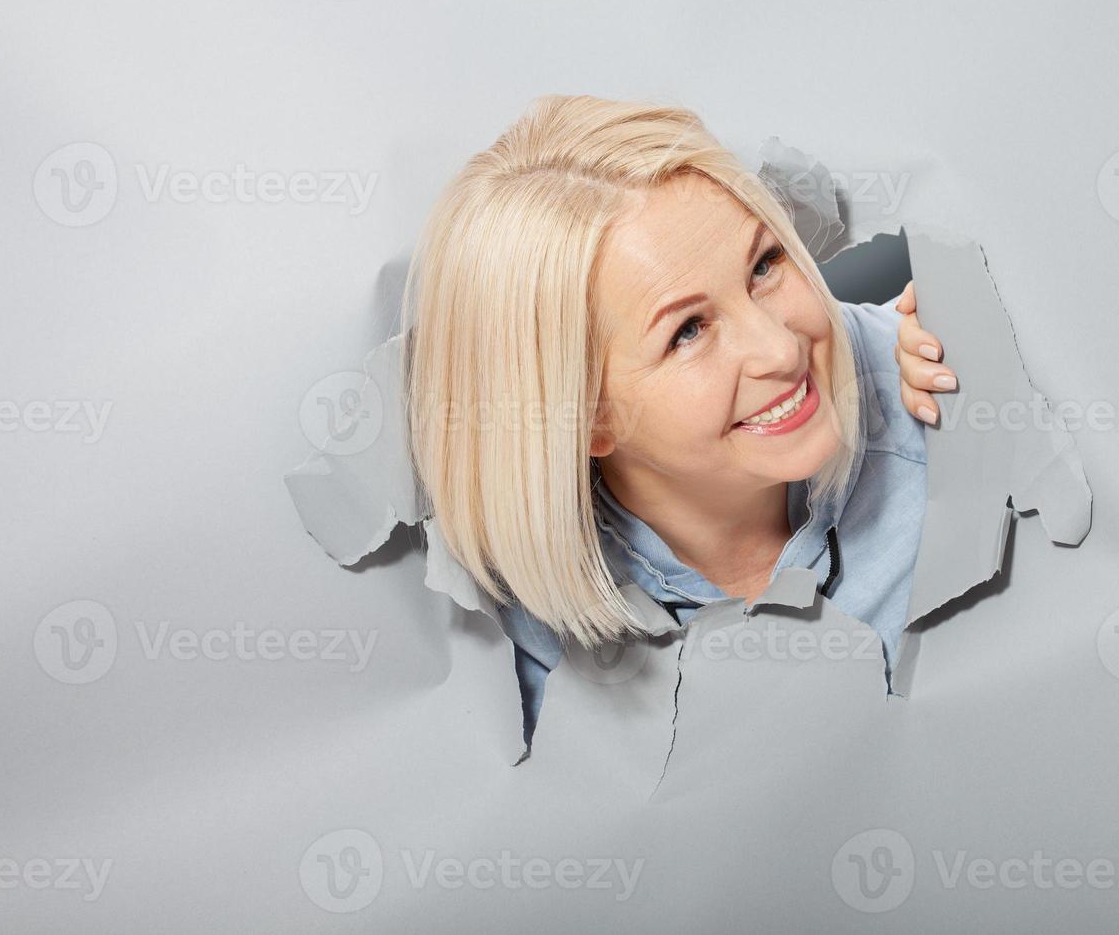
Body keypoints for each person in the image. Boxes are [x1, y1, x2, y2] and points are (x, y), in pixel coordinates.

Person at [404, 95, 956, 741]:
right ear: (584, 420)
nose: (781, 349)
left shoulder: (935, 385)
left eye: (764, 265)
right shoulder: (515, 659)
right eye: (688, 331)